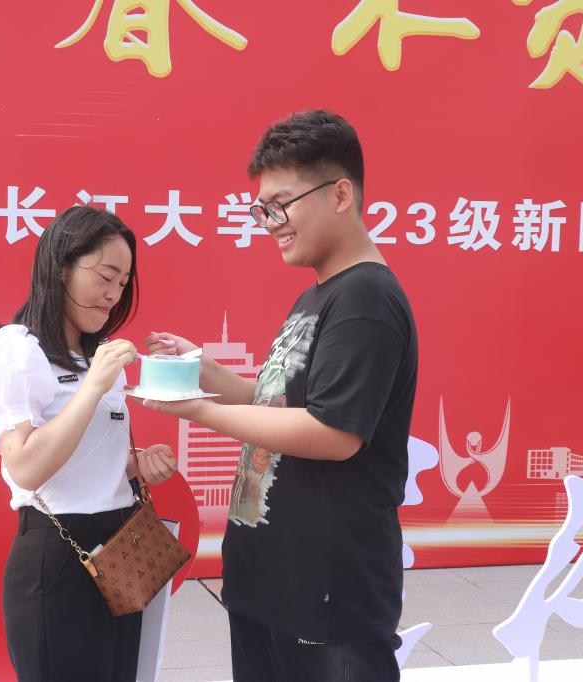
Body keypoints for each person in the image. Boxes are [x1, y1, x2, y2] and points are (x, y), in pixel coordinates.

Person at [141, 110, 418, 681]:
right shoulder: (321, 293)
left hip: (326, 601)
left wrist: (199, 410)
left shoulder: (365, 298)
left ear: (340, 194)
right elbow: (280, 405)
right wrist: (205, 371)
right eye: (263, 209)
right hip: (272, 588)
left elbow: (331, 432)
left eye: (281, 204)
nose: (270, 223)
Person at [0, 205, 178, 682]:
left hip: (123, 547)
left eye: (123, 283)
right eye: (106, 276)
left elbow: (83, 456)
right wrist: (93, 387)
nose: (114, 294)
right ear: (62, 266)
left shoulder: (96, 356)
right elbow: (26, 467)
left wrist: (135, 465)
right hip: (59, 553)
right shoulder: (18, 347)